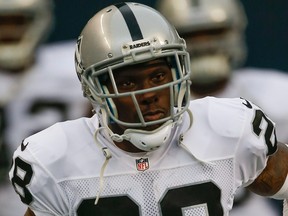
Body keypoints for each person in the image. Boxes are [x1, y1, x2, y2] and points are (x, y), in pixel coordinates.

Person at [8, 2, 288, 216]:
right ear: (95, 89)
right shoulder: (56, 159)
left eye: (158, 77)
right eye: (128, 82)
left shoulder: (229, 127)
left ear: (179, 72)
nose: (149, 94)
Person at [156, 0, 288, 215]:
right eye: (191, 35)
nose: (204, 43)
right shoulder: (151, 108)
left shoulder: (278, 94)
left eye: (214, 32)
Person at [0, 0, 89, 215]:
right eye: (2, 22)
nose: (9, 31)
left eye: (17, 21)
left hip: (60, 201)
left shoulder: (73, 68)